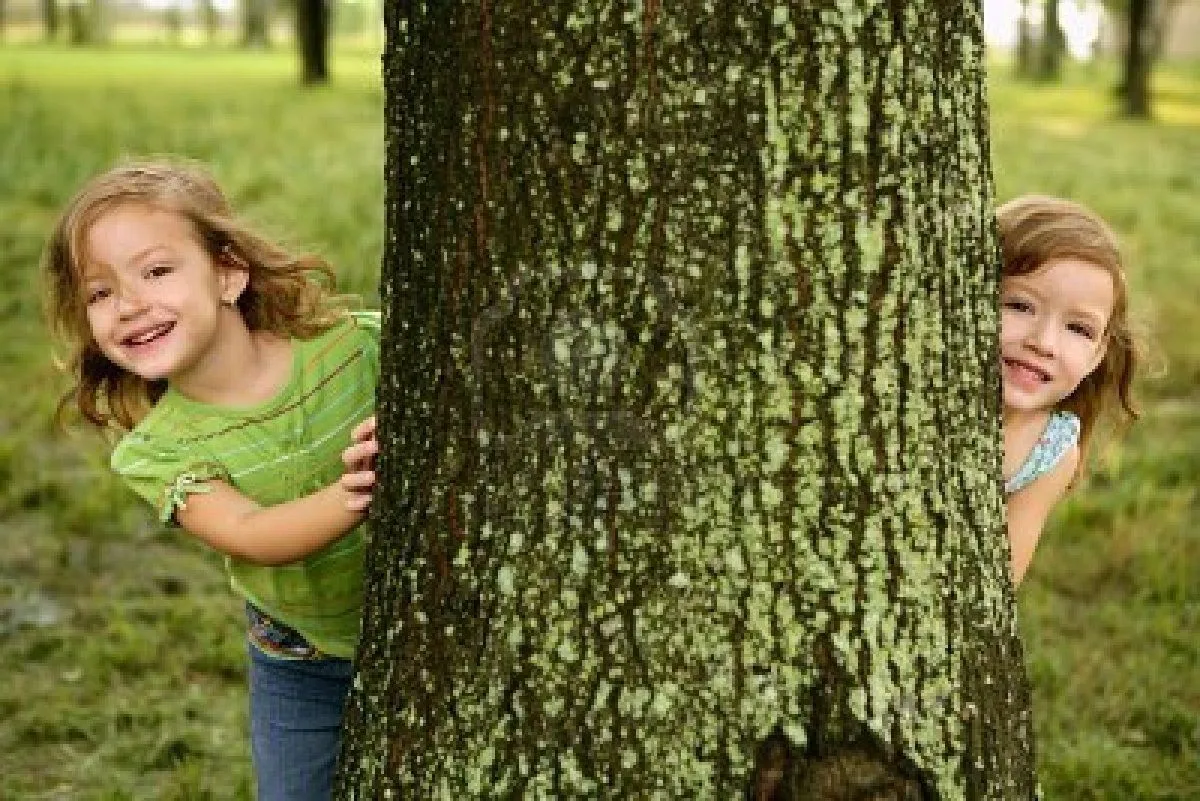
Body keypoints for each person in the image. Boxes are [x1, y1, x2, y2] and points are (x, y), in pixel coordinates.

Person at [42, 159, 380, 801]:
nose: (129, 306)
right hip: (304, 660)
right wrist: (355, 495)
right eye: (99, 293)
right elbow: (248, 531)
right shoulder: (159, 451)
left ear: (228, 273)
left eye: (156, 272)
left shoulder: (352, 350)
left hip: (425, 613)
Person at [997, 194, 1140, 586]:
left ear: (1097, 355)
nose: (1043, 342)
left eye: (1077, 328)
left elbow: (1001, 579)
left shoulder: (1052, 449)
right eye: (1020, 306)